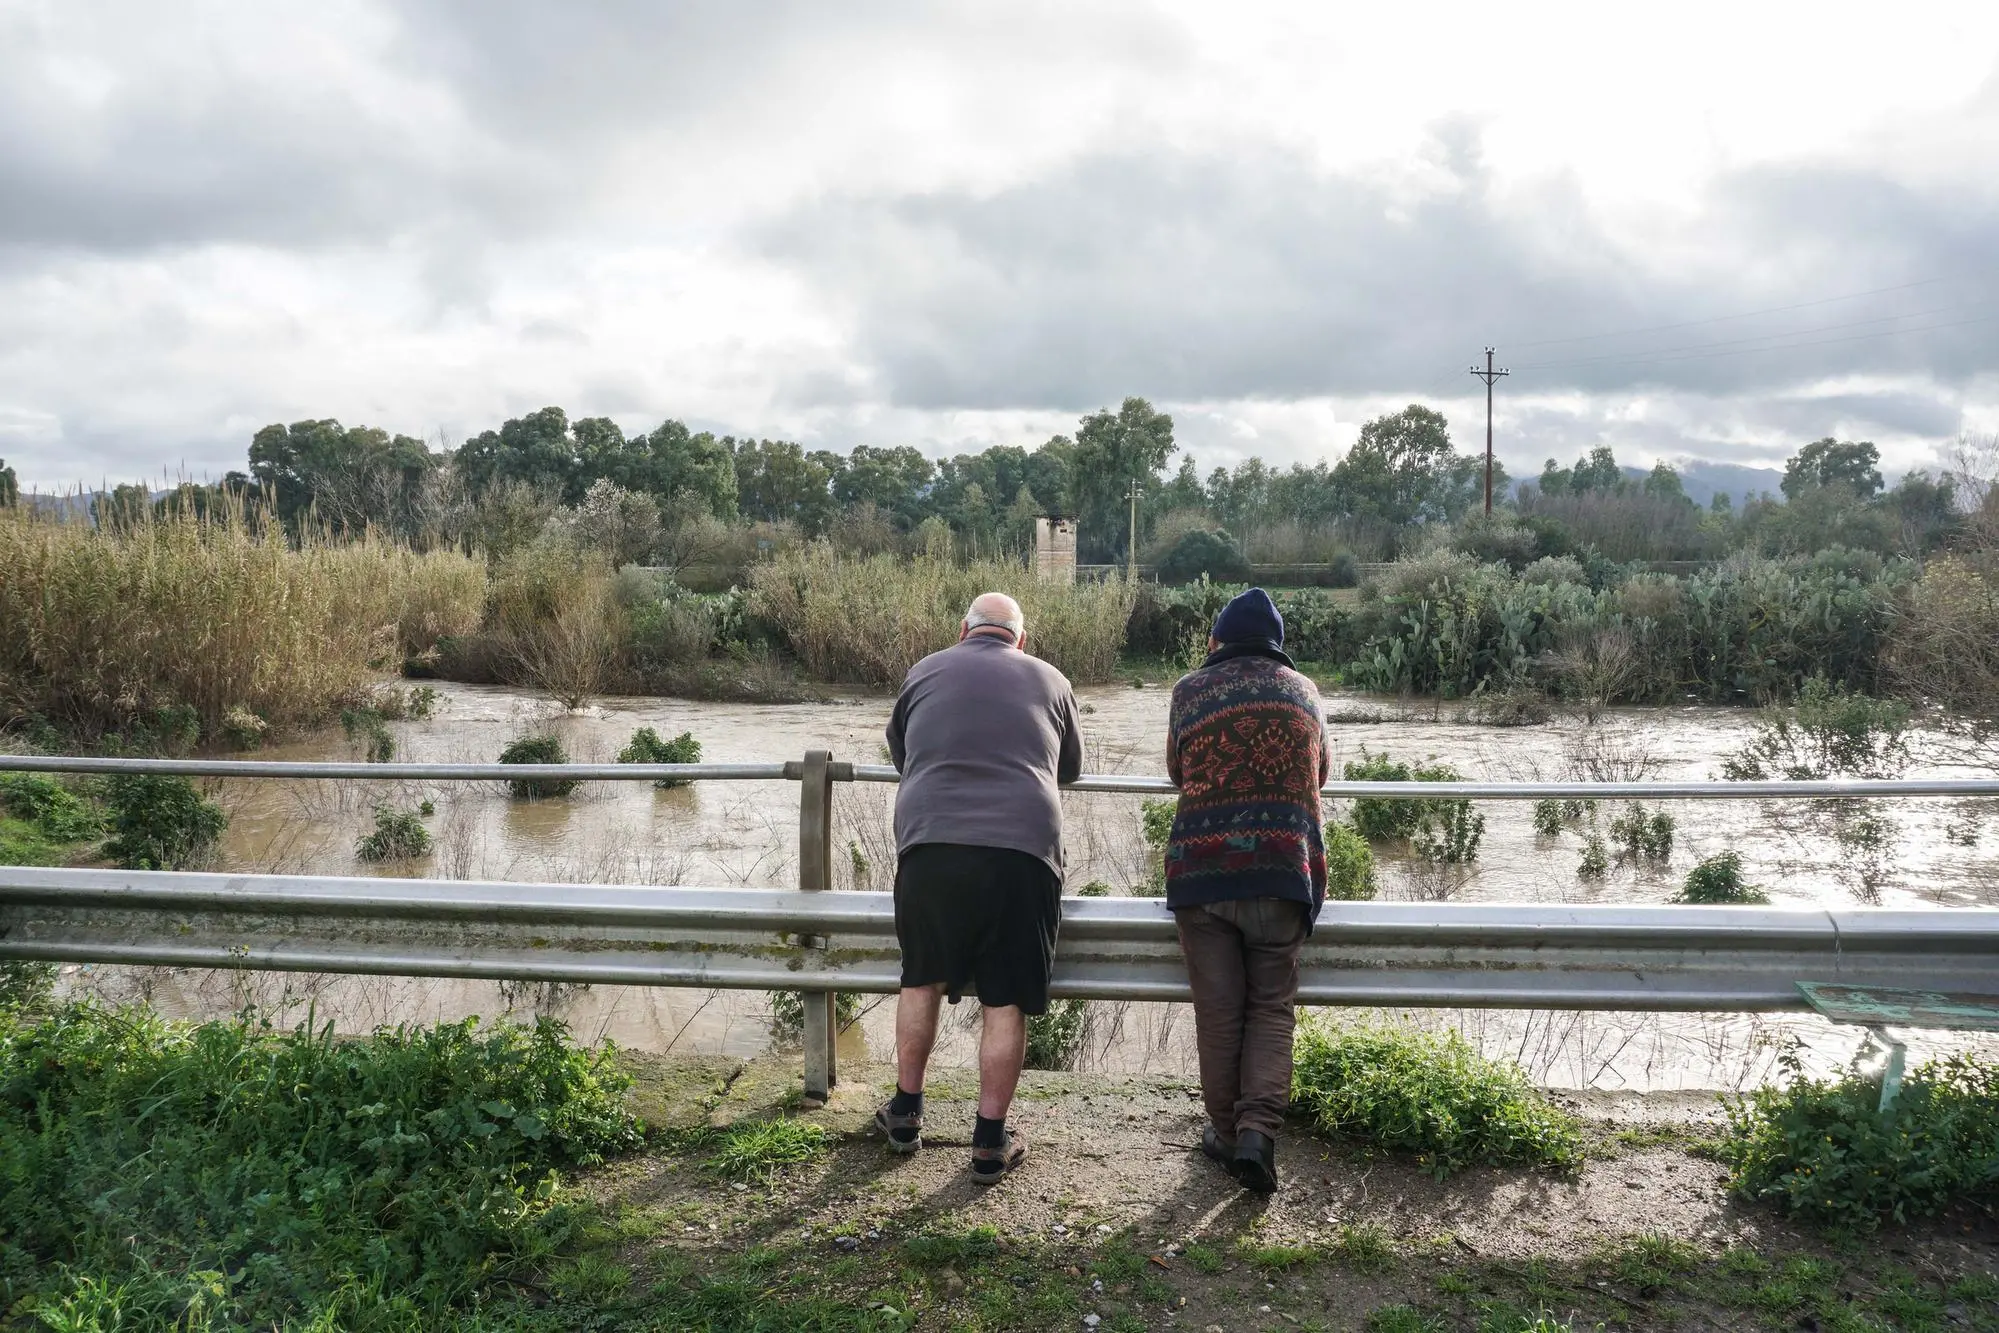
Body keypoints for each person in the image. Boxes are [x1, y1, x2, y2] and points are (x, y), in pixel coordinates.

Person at [878, 591, 1084, 1183]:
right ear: (1021, 638)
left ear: (963, 629)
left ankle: (906, 1113)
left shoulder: (924, 670)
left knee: (920, 977)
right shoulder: (1051, 678)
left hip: (931, 846)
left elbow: (902, 752)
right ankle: (990, 1142)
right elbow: (1068, 769)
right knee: (1007, 998)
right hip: (1022, 852)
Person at [1164, 587, 1328, 1194]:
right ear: (1277, 645)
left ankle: (1226, 1136)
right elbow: (1323, 774)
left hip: (1203, 875)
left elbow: (1179, 770)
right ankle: (1258, 1134)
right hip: (1286, 872)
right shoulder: (1307, 692)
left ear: (1216, 642)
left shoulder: (1190, 691)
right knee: (1270, 1008)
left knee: (1219, 1010)